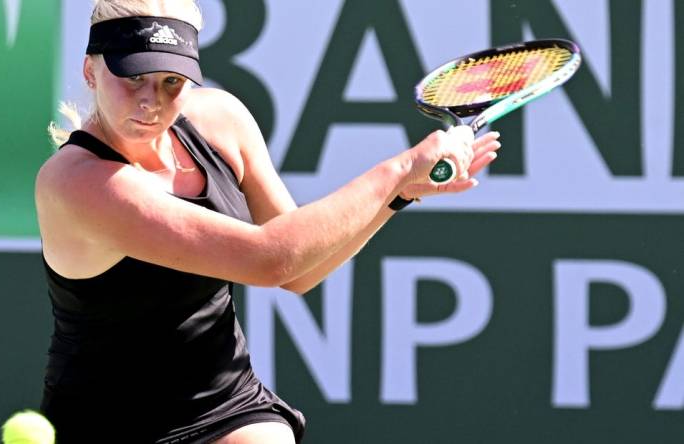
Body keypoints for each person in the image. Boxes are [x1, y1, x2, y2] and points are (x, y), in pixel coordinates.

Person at [35, 0, 501, 442]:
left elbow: (301, 271)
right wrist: (399, 169)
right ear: (90, 70)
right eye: (133, 78)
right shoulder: (77, 184)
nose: (150, 101)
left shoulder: (220, 120)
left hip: (225, 404)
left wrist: (400, 194)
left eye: (171, 83)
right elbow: (270, 259)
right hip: (104, 426)